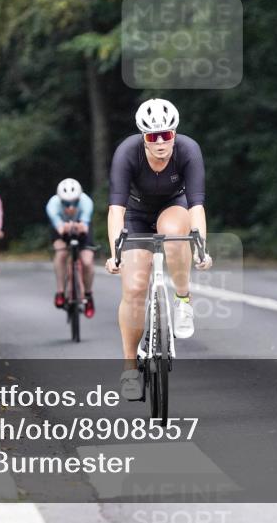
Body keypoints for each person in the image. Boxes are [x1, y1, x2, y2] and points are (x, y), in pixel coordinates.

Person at [105, 98, 213, 400]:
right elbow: (116, 209)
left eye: (167, 134)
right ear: (144, 137)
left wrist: (201, 246)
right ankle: (129, 366)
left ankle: (182, 300)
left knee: (174, 233)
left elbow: (196, 206)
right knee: (135, 288)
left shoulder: (189, 150)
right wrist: (115, 251)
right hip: (136, 214)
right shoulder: (127, 152)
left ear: (175, 134)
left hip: (173, 208)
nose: (161, 141)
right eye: (153, 136)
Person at [47, 178, 96, 317]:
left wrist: (79, 226)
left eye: (74, 203)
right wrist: (65, 227)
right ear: (60, 199)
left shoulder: (86, 202)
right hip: (61, 229)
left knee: (87, 261)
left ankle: (88, 295)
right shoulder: (53, 204)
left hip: (81, 229)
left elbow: (85, 227)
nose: (70, 207)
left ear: (79, 198)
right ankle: (60, 292)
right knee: (61, 254)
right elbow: (59, 228)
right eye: (66, 203)